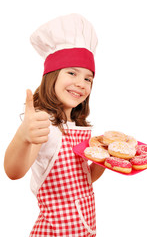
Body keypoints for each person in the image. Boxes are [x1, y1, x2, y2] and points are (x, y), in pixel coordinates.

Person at [4, 13, 105, 236]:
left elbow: (82, 180)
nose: (81, 83)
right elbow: (13, 171)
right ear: (52, 75)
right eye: (72, 72)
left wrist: (103, 161)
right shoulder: (44, 125)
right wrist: (23, 137)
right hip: (55, 230)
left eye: (88, 78)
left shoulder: (77, 126)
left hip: (84, 227)